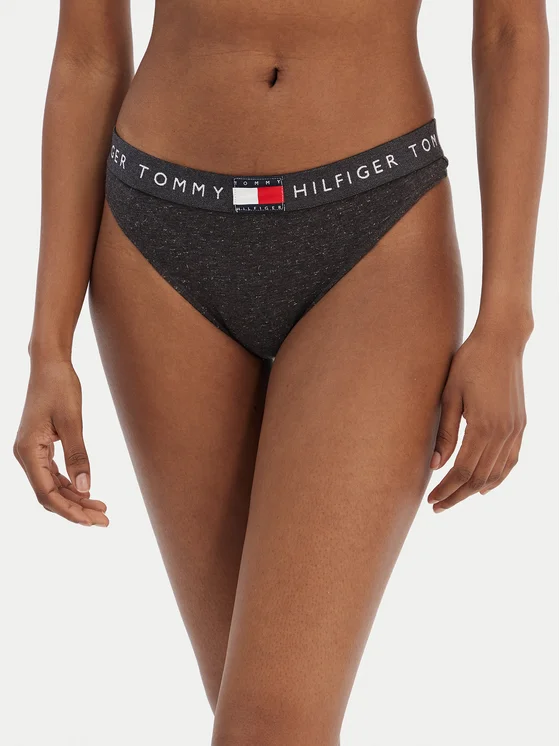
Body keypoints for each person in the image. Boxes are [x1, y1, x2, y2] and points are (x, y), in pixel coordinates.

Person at [13, 1, 549, 744]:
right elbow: (87, 56)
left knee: (268, 724)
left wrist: (507, 322)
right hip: (159, 243)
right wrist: (48, 347)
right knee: (259, 720)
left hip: (375, 238)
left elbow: (509, 30)